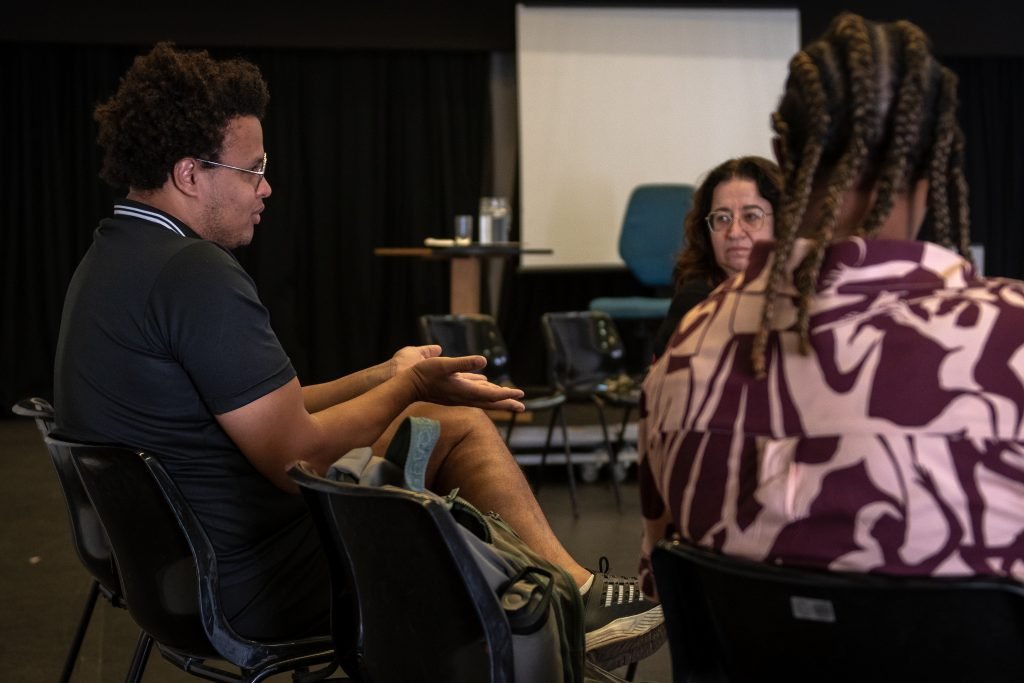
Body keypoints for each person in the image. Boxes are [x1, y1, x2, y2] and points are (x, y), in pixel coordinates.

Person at [53, 42, 663, 670]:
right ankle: (563, 604)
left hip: (173, 577)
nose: (267, 186)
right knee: (445, 435)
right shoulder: (194, 273)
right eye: (252, 169)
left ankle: (569, 597)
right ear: (189, 173)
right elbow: (297, 455)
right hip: (252, 585)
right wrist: (410, 387)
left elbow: (261, 411)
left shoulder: (112, 257)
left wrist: (386, 374)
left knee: (438, 421)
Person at [638, 13, 1024, 599]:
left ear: (784, 158)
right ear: (939, 159)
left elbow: (659, 568)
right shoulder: (1011, 337)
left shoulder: (684, 356)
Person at [652, 156, 782, 357]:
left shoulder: (805, 295)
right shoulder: (695, 301)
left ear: (783, 223)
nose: (735, 232)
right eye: (722, 218)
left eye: (751, 216)